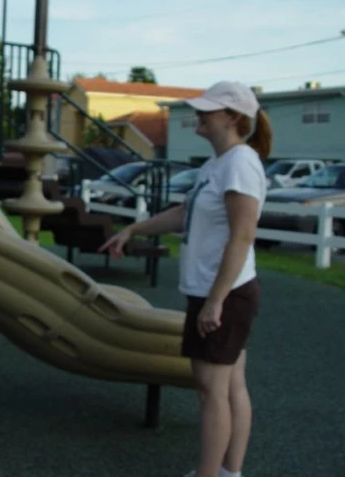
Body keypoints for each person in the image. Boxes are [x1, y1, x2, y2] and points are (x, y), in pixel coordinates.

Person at [98, 81, 272, 477]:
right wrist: (134, 229)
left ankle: (211, 474)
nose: (199, 115)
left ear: (231, 117)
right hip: (222, 291)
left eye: (207, 110)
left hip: (225, 294)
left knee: (212, 392)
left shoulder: (240, 162)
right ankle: (229, 472)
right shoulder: (218, 164)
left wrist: (215, 301)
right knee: (229, 388)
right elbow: (184, 214)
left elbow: (243, 234)